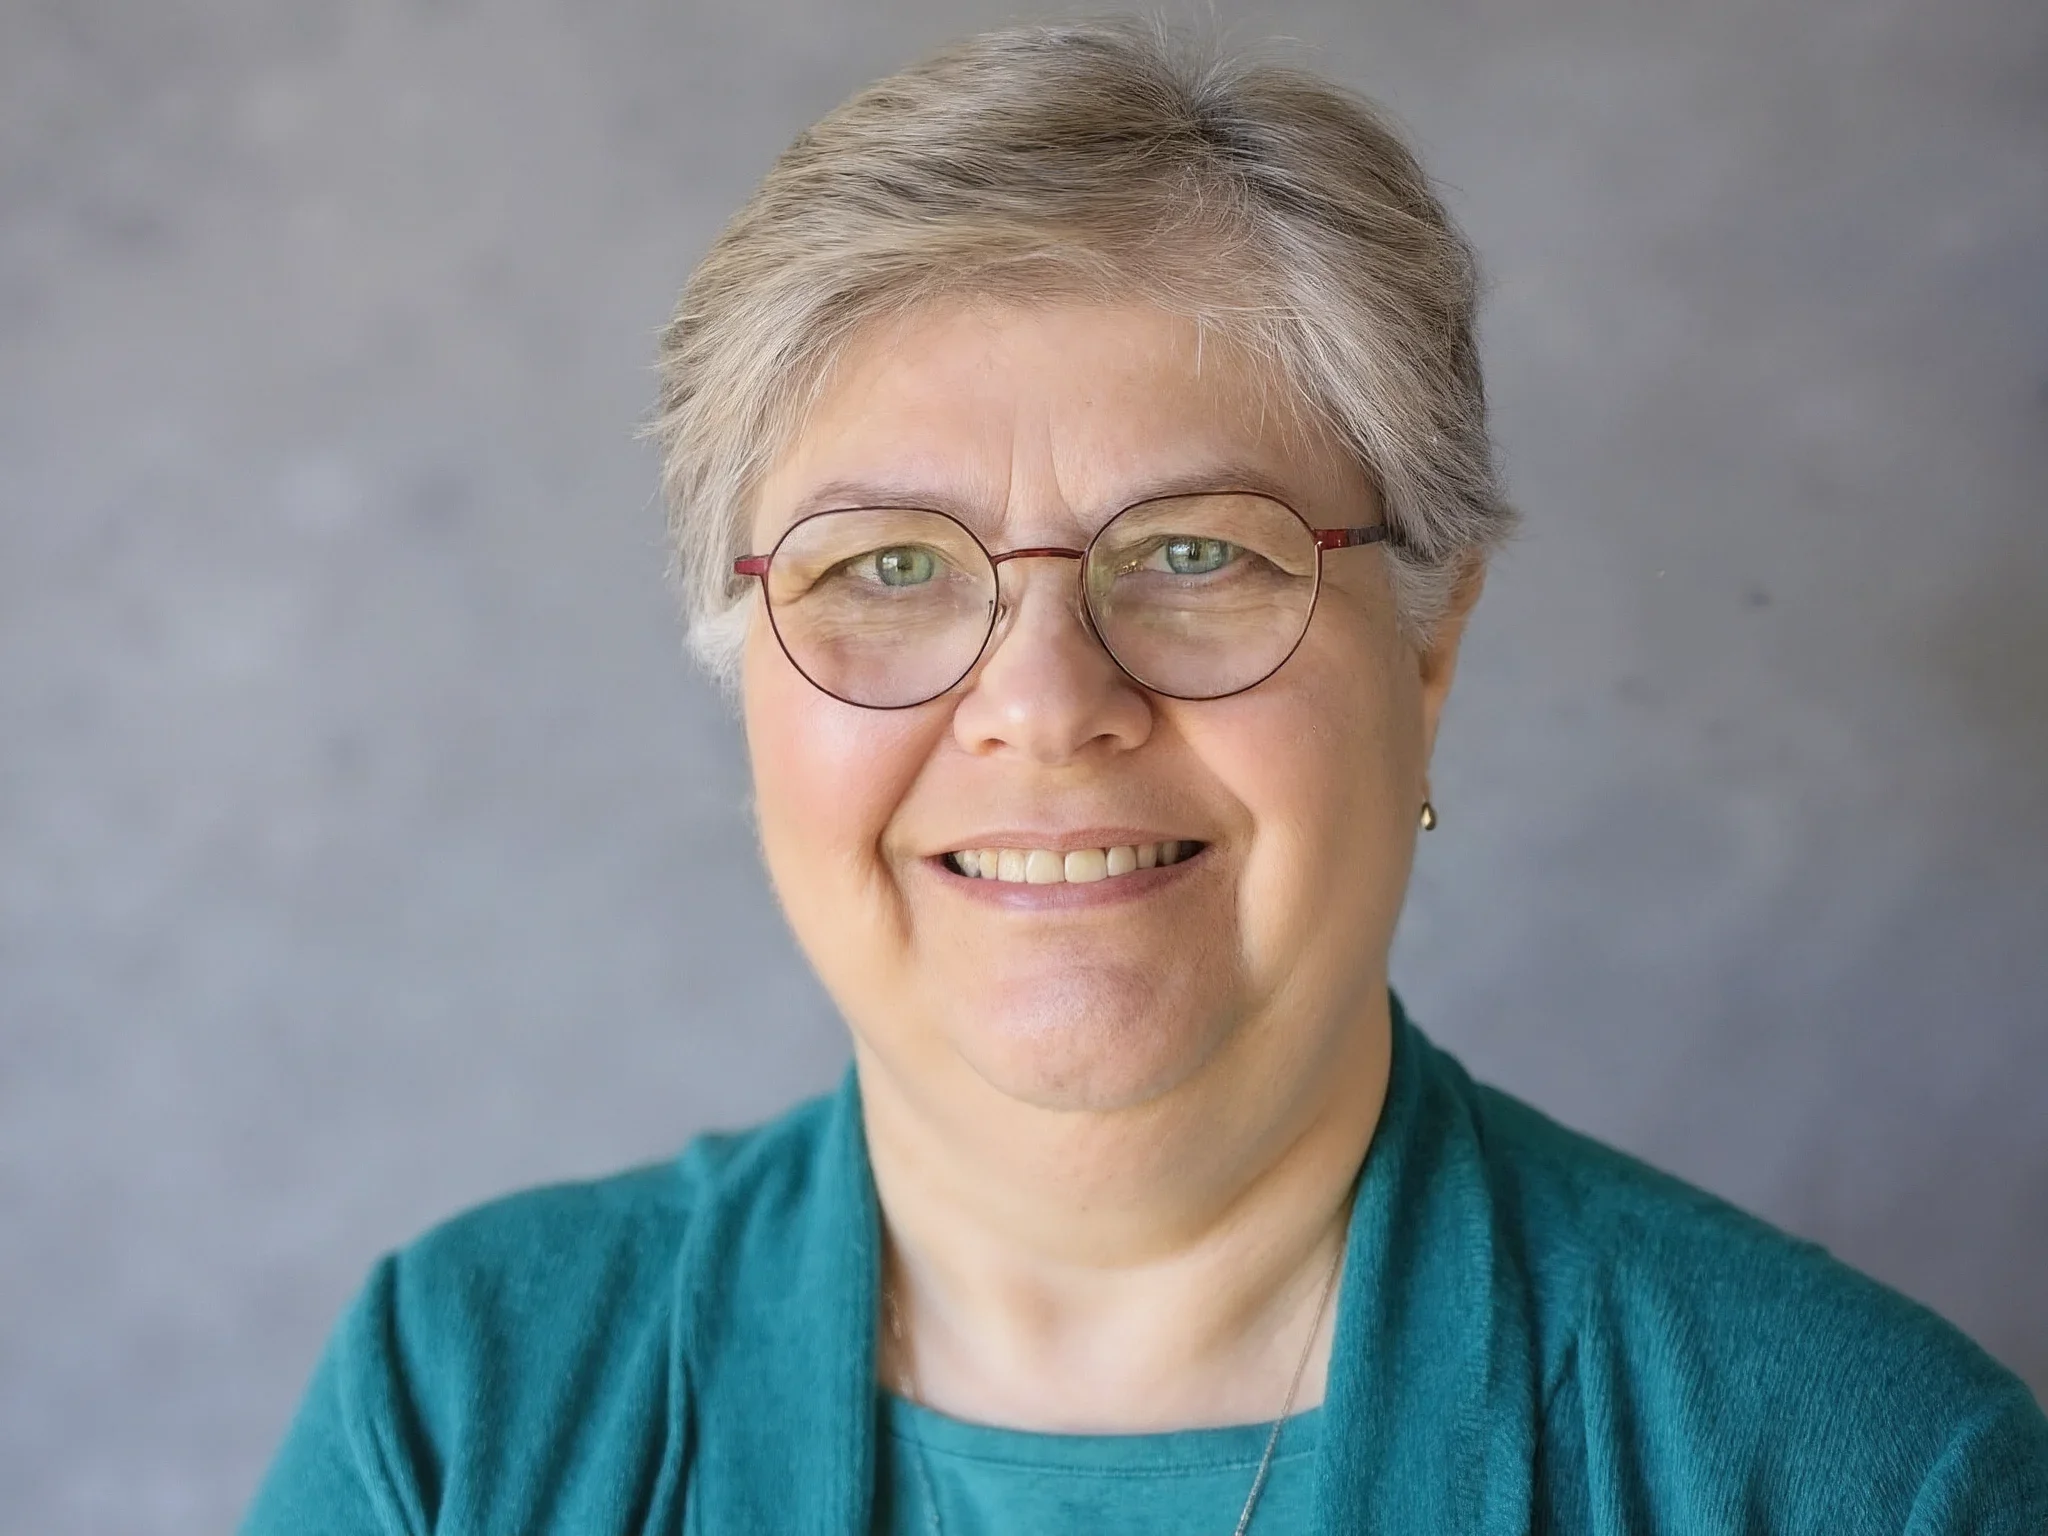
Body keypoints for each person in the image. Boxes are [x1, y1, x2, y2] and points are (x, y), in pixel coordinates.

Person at [242, 19, 2048, 1533]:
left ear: (1429, 649)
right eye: (887, 568)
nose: (1044, 704)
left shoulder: (1870, 1476)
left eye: (1194, 553)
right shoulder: (466, 1409)